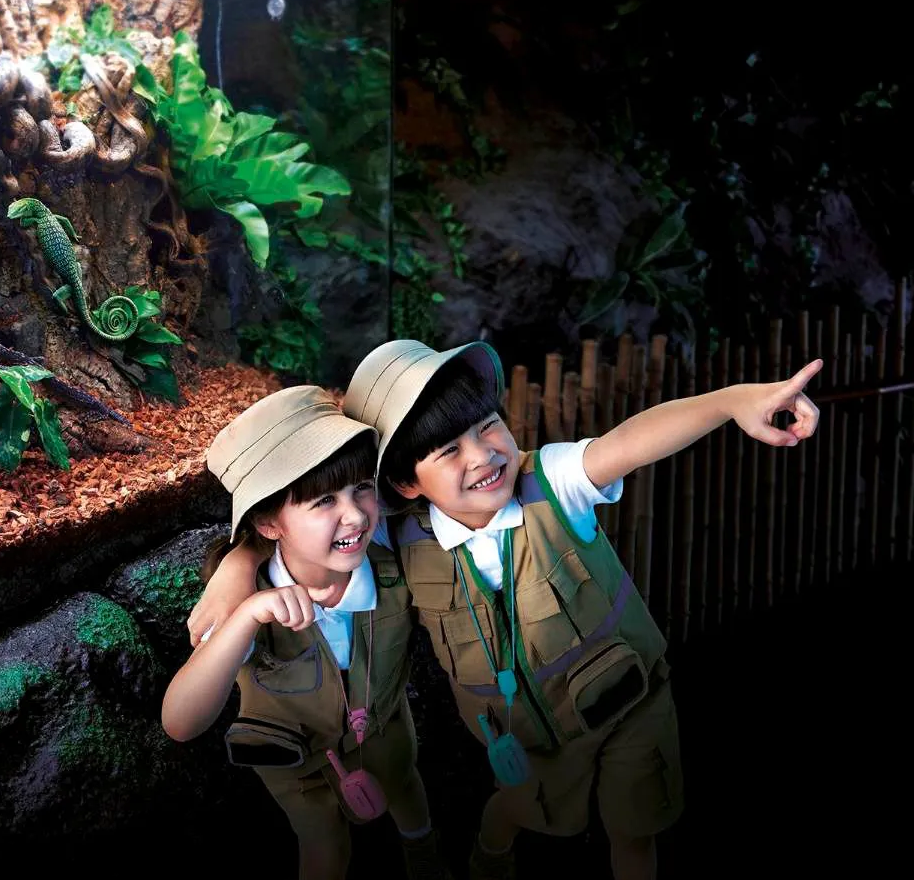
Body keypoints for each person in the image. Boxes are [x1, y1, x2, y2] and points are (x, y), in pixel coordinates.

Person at [190, 341, 821, 879]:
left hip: (628, 701)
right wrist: (234, 570)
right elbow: (299, 528)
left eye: (487, 426)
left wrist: (732, 400)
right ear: (405, 484)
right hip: (521, 734)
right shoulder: (395, 534)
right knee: (531, 809)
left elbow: (631, 441)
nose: (483, 455)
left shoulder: (551, 482)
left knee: (636, 826)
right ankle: (492, 846)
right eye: (447, 452)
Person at [161, 384, 448, 879]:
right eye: (322, 502)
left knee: (404, 784)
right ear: (270, 523)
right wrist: (248, 612)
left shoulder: (384, 547)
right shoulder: (244, 597)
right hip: (294, 762)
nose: (355, 514)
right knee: (323, 846)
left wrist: (242, 553)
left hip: (385, 730)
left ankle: (423, 854)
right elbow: (180, 722)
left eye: (362, 486)